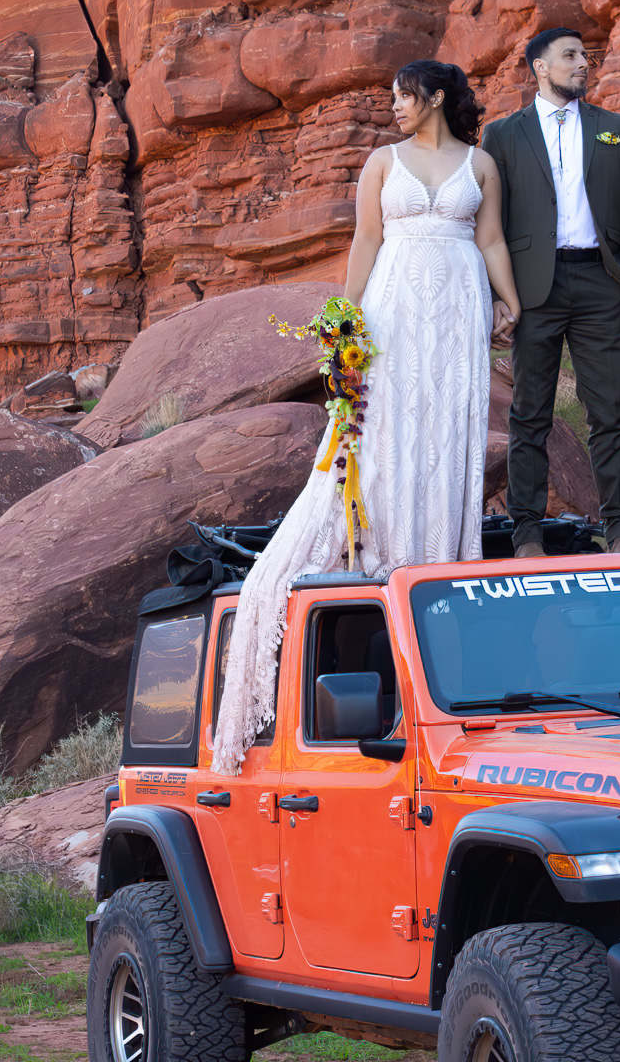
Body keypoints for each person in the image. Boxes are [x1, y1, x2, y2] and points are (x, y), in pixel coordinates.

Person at [212, 62, 520, 770]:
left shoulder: (481, 164)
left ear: (434, 96)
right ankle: (375, 547)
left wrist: (511, 302)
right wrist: (344, 317)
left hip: (457, 307)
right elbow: (365, 242)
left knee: (446, 427)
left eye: (401, 97)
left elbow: (491, 240)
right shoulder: (381, 164)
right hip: (394, 306)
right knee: (384, 425)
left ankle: (436, 558)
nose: (393, 109)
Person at [482, 28, 620, 557]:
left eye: (585, 56)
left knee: (610, 411)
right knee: (529, 412)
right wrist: (497, 295)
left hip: (601, 284)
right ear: (539, 67)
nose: (583, 64)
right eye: (571, 56)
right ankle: (527, 532)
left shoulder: (614, 128)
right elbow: (491, 222)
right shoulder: (503, 135)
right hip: (534, 288)